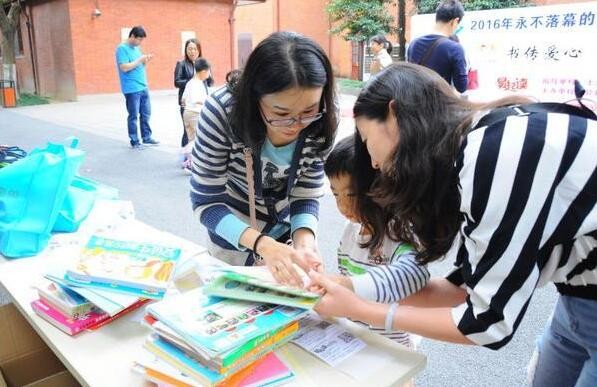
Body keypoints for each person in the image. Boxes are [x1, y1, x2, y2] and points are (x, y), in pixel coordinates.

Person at [309, 62, 596, 387]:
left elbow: (487, 323)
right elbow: (463, 290)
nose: (373, 162)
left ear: (394, 115)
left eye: (365, 138)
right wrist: (350, 288)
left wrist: (365, 310)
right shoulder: (474, 153)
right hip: (578, 299)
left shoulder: (495, 155)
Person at [190, 32, 338, 286]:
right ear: (254, 96)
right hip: (231, 227)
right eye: (281, 113)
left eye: (308, 111)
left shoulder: (321, 119)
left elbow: (306, 194)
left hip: (283, 229)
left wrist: (304, 240)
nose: (296, 125)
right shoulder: (222, 113)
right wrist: (262, 244)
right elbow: (206, 203)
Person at [324, 136, 429, 347]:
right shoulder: (350, 232)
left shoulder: (399, 231)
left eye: (351, 195)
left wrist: (346, 285)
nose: (343, 206)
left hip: (393, 341)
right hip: (357, 336)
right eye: (336, 195)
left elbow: (415, 273)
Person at [407, 0, 468, 93]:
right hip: (440, 104)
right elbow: (461, 87)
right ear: (455, 21)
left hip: (416, 104)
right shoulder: (455, 48)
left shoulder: (414, 43)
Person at [115, 26, 159, 149]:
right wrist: (140, 60)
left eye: (141, 40)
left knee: (146, 114)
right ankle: (134, 141)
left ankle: (147, 137)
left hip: (143, 86)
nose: (140, 42)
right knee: (133, 115)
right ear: (132, 36)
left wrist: (145, 61)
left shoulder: (137, 48)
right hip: (131, 88)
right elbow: (124, 67)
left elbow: (139, 66)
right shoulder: (121, 49)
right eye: (139, 39)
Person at [174, 38, 212, 148]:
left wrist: (206, 74)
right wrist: (194, 79)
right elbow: (177, 82)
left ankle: (195, 157)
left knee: (201, 132)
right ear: (186, 50)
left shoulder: (203, 64)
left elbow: (209, 82)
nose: (192, 51)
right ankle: (185, 156)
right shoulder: (181, 64)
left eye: (195, 49)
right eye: (190, 49)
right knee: (188, 132)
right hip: (187, 104)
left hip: (201, 103)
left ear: (199, 50)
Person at [180, 58, 211, 172]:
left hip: (187, 113)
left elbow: (183, 100)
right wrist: (207, 100)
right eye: (208, 72)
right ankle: (190, 162)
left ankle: (191, 162)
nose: (209, 75)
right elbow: (196, 100)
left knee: (192, 139)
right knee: (198, 140)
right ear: (203, 71)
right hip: (195, 113)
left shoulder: (190, 83)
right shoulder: (197, 84)